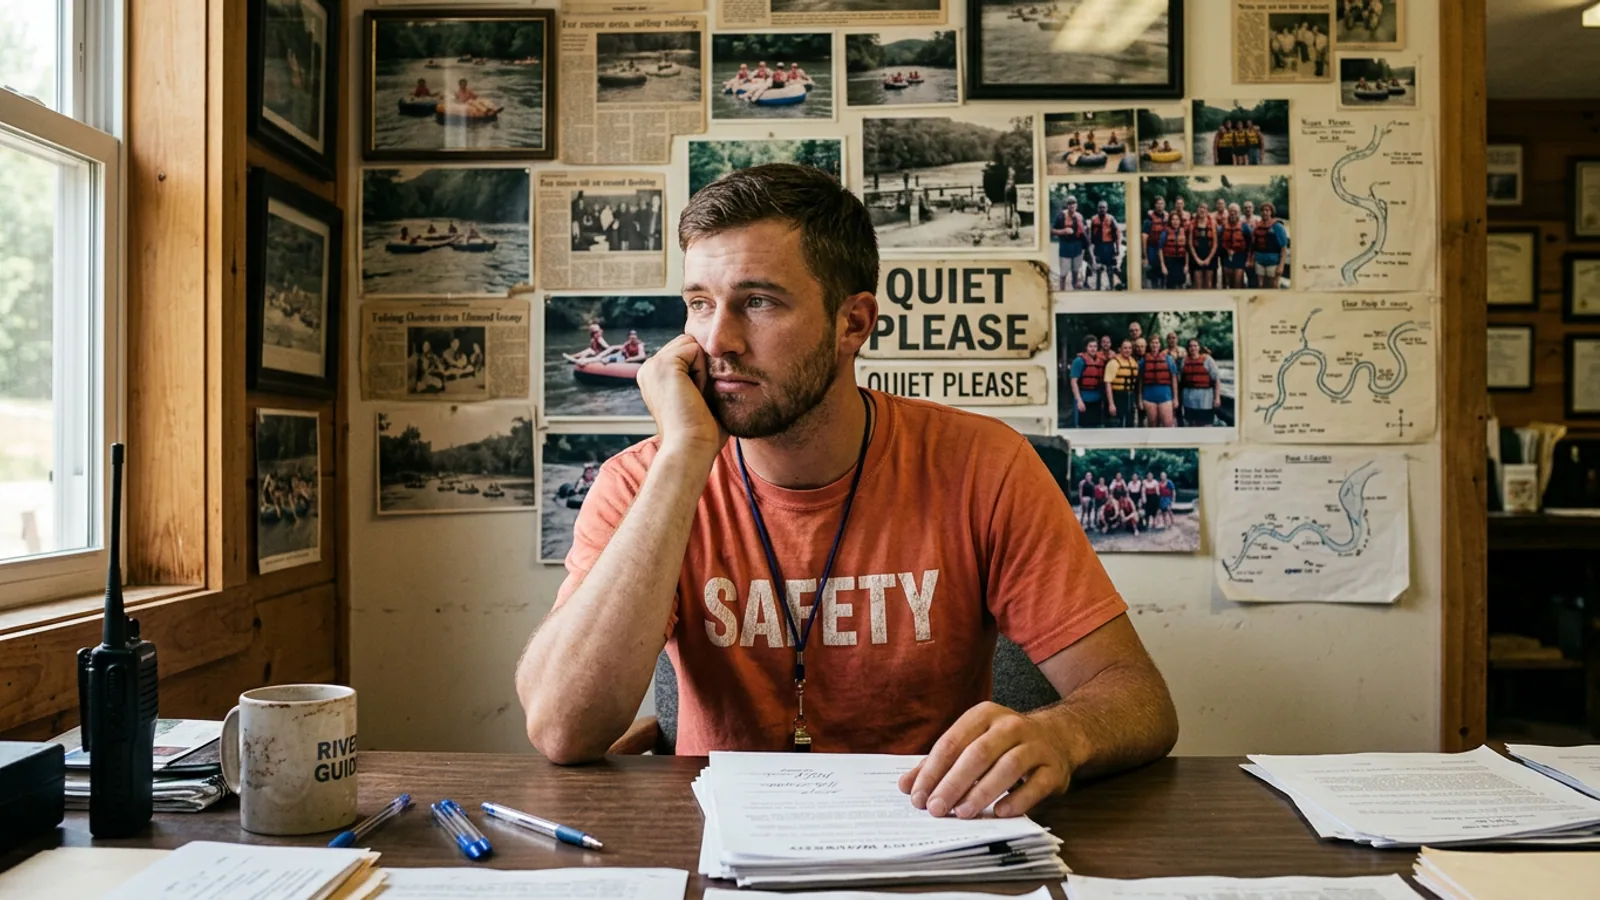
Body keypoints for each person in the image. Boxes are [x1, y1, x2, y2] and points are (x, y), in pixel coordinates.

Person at [515, 165, 1178, 813]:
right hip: (719, 846)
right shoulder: (641, 479)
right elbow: (561, 730)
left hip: (929, 834)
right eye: (699, 304)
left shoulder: (983, 465)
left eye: (759, 302)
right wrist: (685, 457)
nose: (717, 340)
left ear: (853, 324)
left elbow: (1137, 697)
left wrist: (1062, 735)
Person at [1179, 339, 1221, 427]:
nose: (1193, 348)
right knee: (1191, 424)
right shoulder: (1184, 361)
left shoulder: (1208, 360)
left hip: (1205, 399)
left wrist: (1217, 398)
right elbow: (1180, 380)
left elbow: (1216, 379)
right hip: (1189, 399)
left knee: (1206, 425)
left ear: (1199, 347)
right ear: (1188, 348)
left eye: (1195, 346)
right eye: (1190, 346)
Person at [1249, 202, 1290, 289]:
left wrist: (1281, 266)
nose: (1265, 212)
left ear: (1271, 212)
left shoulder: (1278, 226)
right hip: (1259, 261)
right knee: (1260, 286)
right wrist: (1252, 260)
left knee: (1273, 286)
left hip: (1273, 263)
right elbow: (1254, 246)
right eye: (1263, 210)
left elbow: (1283, 248)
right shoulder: (1257, 226)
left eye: (1267, 210)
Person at [1069, 335, 1107, 428]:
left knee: (1096, 427)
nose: (1093, 349)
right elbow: (1074, 381)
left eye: (1095, 346)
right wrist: (1079, 400)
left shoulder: (1101, 360)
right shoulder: (1079, 361)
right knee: (1082, 427)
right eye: (1090, 346)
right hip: (1083, 398)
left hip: (1097, 399)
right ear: (1086, 347)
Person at [1140, 337, 1178, 428]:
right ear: (1149, 345)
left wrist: (1175, 398)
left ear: (1160, 345)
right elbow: (1140, 381)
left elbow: (1174, 379)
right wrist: (1139, 399)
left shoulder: (1168, 359)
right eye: (1153, 343)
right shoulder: (1144, 360)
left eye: (1157, 343)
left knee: (1168, 424)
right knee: (1152, 425)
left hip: (1165, 395)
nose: (1155, 345)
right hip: (1149, 396)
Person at [1052, 196, 1088, 290]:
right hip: (1065, 247)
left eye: (1073, 203)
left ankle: (1074, 290)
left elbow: (1084, 233)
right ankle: (1062, 292)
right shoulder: (1061, 216)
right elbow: (1052, 231)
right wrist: (1063, 231)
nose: (1072, 205)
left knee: (1075, 272)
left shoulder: (1080, 216)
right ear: (1067, 205)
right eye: (1069, 203)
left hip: (1077, 248)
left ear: (1076, 205)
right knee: (1063, 274)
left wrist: (1086, 247)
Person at [1087, 199, 1121, 291]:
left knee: (1110, 269)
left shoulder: (1111, 219)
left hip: (1109, 246)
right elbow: (1090, 233)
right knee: (1098, 269)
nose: (1102, 209)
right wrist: (1091, 245)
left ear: (1107, 208)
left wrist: (1117, 248)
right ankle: (1098, 288)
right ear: (1097, 209)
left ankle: (1111, 287)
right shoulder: (1094, 219)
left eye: (1104, 207)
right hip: (1098, 247)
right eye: (1100, 207)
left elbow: (1117, 233)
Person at [1104, 339, 1139, 429]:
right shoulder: (1113, 363)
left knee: (1129, 423)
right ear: (1120, 349)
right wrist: (1111, 404)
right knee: (1116, 423)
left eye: (1130, 348)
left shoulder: (1133, 362)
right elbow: (1108, 383)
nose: (1127, 350)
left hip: (1130, 396)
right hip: (1117, 396)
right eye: (1125, 348)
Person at [1158, 209, 1188, 291]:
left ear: (1180, 221)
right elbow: (1160, 248)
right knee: (1170, 286)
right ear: (1170, 221)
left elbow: (1186, 250)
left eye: (1177, 219)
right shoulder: (1165, 232)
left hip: (1181, 261)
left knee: (1181, 285)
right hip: (1169, 261)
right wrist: (1163, 265)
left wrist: (1186, 265)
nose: (1175, 222)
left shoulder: (1183, 231)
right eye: (1173, 219)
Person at [1142, 196, 1168, 290]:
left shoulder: (1167, 217)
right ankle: (1155, 291)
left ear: (1164, 205)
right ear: (1155, 205)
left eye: (1162, 203)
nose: (1160, 206)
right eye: (1158, 204)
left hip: (1165, 249)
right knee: (1153, 275)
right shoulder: (1149, 219)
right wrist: (1145, 256)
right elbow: (1144, 237)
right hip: (1152, 248)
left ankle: (1163, 290)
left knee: (1164, 273)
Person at [1189, 206, 1218, 291]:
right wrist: (1197, 259)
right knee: (1198, 285)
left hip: (1209, 256)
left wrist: (1208, 259)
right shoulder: (1192, 224)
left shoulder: (1212, 224)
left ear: (1207, 211)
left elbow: (1215, 244)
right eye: (1200, 208)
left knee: (1208, 285)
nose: (1202, 210)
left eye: (1204, 209)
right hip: (1197, 255)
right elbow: (1190, 244)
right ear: (1197, 211)